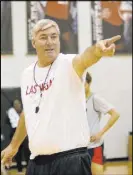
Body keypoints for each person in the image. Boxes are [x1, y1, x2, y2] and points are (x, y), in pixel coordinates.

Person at [1, 19, 121, 175]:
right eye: (43, 37)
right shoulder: (27, 74)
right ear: (33, 43)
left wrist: (97, 51)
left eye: (54, 36)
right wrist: (14, 145)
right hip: (37, 163)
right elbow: (28, 114)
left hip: (71, 161)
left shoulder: (69, 63)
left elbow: (86, 57)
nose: (49, 42)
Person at [85, 72, 120, 174]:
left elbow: (115, 114)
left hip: (95, 147)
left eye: (84, 83)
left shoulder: (95, 99)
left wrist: (100, 133)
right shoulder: (77, 100)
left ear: (89, 83)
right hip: (81, 147)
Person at [6, 99, 30, 174]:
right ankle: (19, 170)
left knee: (27, 152)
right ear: (13, 106)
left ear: (21, 104)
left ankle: (28, 169)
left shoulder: (25, 110)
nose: (17, 105)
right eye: (15, 104)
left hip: (25, 134)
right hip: (15, 133)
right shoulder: (11, 112)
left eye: (18, 103)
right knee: (17, 153)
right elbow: (14, 124)